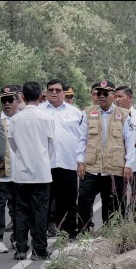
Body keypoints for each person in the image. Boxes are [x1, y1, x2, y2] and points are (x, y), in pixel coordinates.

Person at [76, 80, 136, 234]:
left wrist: (129, 165)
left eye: (105, 93)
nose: (101, 96)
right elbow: (82, 139)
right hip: (91, 167)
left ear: (114, 96)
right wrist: (80, 161)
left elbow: (130, 141)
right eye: (99, 93)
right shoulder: (87, 113)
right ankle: (84, 232)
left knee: (114, 204)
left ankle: (112, 235)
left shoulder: (123, 115)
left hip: (114, 168)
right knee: (83, 200)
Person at [10, 81, 56, 261]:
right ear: (40, 97)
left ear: (22, 97)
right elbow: (52, 146)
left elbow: (12, 144)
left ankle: (21, 249)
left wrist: (23, 155)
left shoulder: (16, 119)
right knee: (40, 211)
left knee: (21, 211)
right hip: (41, 172)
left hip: (21, 173)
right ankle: (39, 250)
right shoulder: (46, 118)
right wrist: (43, 159)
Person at [39, 79, 82, 241]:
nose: (54, 93)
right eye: (51, 90)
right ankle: (40, 236)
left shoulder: (75, 113)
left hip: (68, 163)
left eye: (58, 90)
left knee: (69, 201)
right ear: (46, 92)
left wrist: (81, 161)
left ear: (64, 93)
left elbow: (82, 139)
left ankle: (70, 234)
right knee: (44, 202)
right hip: (45, 165)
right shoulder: (39, 111)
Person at [0, 84, 22, 253]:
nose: (7, 103)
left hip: (20, 173)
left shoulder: (22, 119)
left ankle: (17, 238)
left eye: (10, 100)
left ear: (17, 101)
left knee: (18, 207)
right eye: (4, 100)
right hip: (2, 172)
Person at [114, 85, 136, 221]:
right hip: (117, 165)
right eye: (115, 97)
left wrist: (134, 144)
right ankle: (119, 226)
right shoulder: (112, 116)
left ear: (129, 98)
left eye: (120, 96)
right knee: (118, 199)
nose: (117, 100)